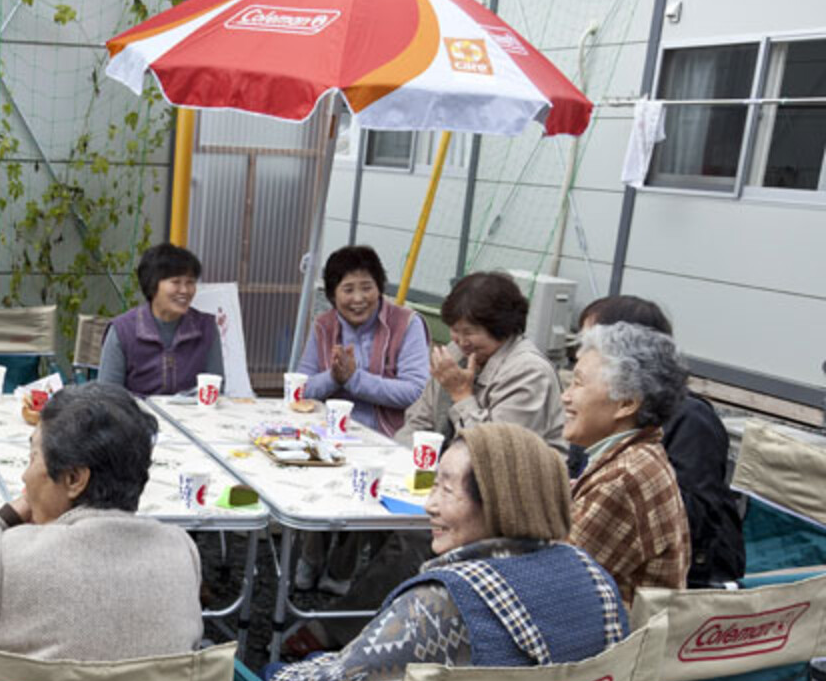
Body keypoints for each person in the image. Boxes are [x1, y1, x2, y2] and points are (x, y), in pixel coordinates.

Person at [255, 423, 625, 681]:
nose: (429, 505)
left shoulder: (444, 604)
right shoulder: (594, 577)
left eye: (446, 490)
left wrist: (283, 676)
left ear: (499, 502)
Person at [0, 384, 203, 661]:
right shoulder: (181, 551)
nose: (24, 476)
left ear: (74, 479)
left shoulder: (13, 559)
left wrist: (5, 516)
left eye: (32, 458)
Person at [571, 295, 744, 587]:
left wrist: (607, 507)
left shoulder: (684, 424)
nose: (581, 352)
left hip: (696, 577)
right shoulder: (605, 426)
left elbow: (695, 515)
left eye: (593, 341)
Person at [293, 245, 430, 598]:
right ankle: (312, 551)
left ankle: (342, 565)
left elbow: (415, 390)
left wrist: (355, 379)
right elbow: (304, 386)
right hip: (330, 430)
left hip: (387, 435)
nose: (358, 298)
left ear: (379, 287)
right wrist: (335, 378)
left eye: (366, 287)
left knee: (364, 483)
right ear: (333, 293)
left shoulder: (407, 324)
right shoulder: (323, 325)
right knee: (313, 467)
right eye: (347, 289)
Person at [564, 321, 691, 605]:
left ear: (626, 404)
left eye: (578, 383)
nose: (566, 396)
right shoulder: (640, 455)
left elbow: (548, 581)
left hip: (616, 645)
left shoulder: (622, 479)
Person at [399, 271, 565, 452]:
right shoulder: (456, 353)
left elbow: (496, 453)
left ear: (502, 328)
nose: (461, 341)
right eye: (455, 330)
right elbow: (418, 421)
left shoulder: (530, 372)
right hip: (444, 471)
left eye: (469, 332)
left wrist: (461, 394)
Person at [98, 243, 224, 396]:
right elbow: (107, 396)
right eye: (176, 282)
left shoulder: (206, 327)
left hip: (192, 417)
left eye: (190, 282)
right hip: (137, 417)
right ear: (152, 284)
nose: (185, 290)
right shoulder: (122, 330)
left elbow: (216, 389)